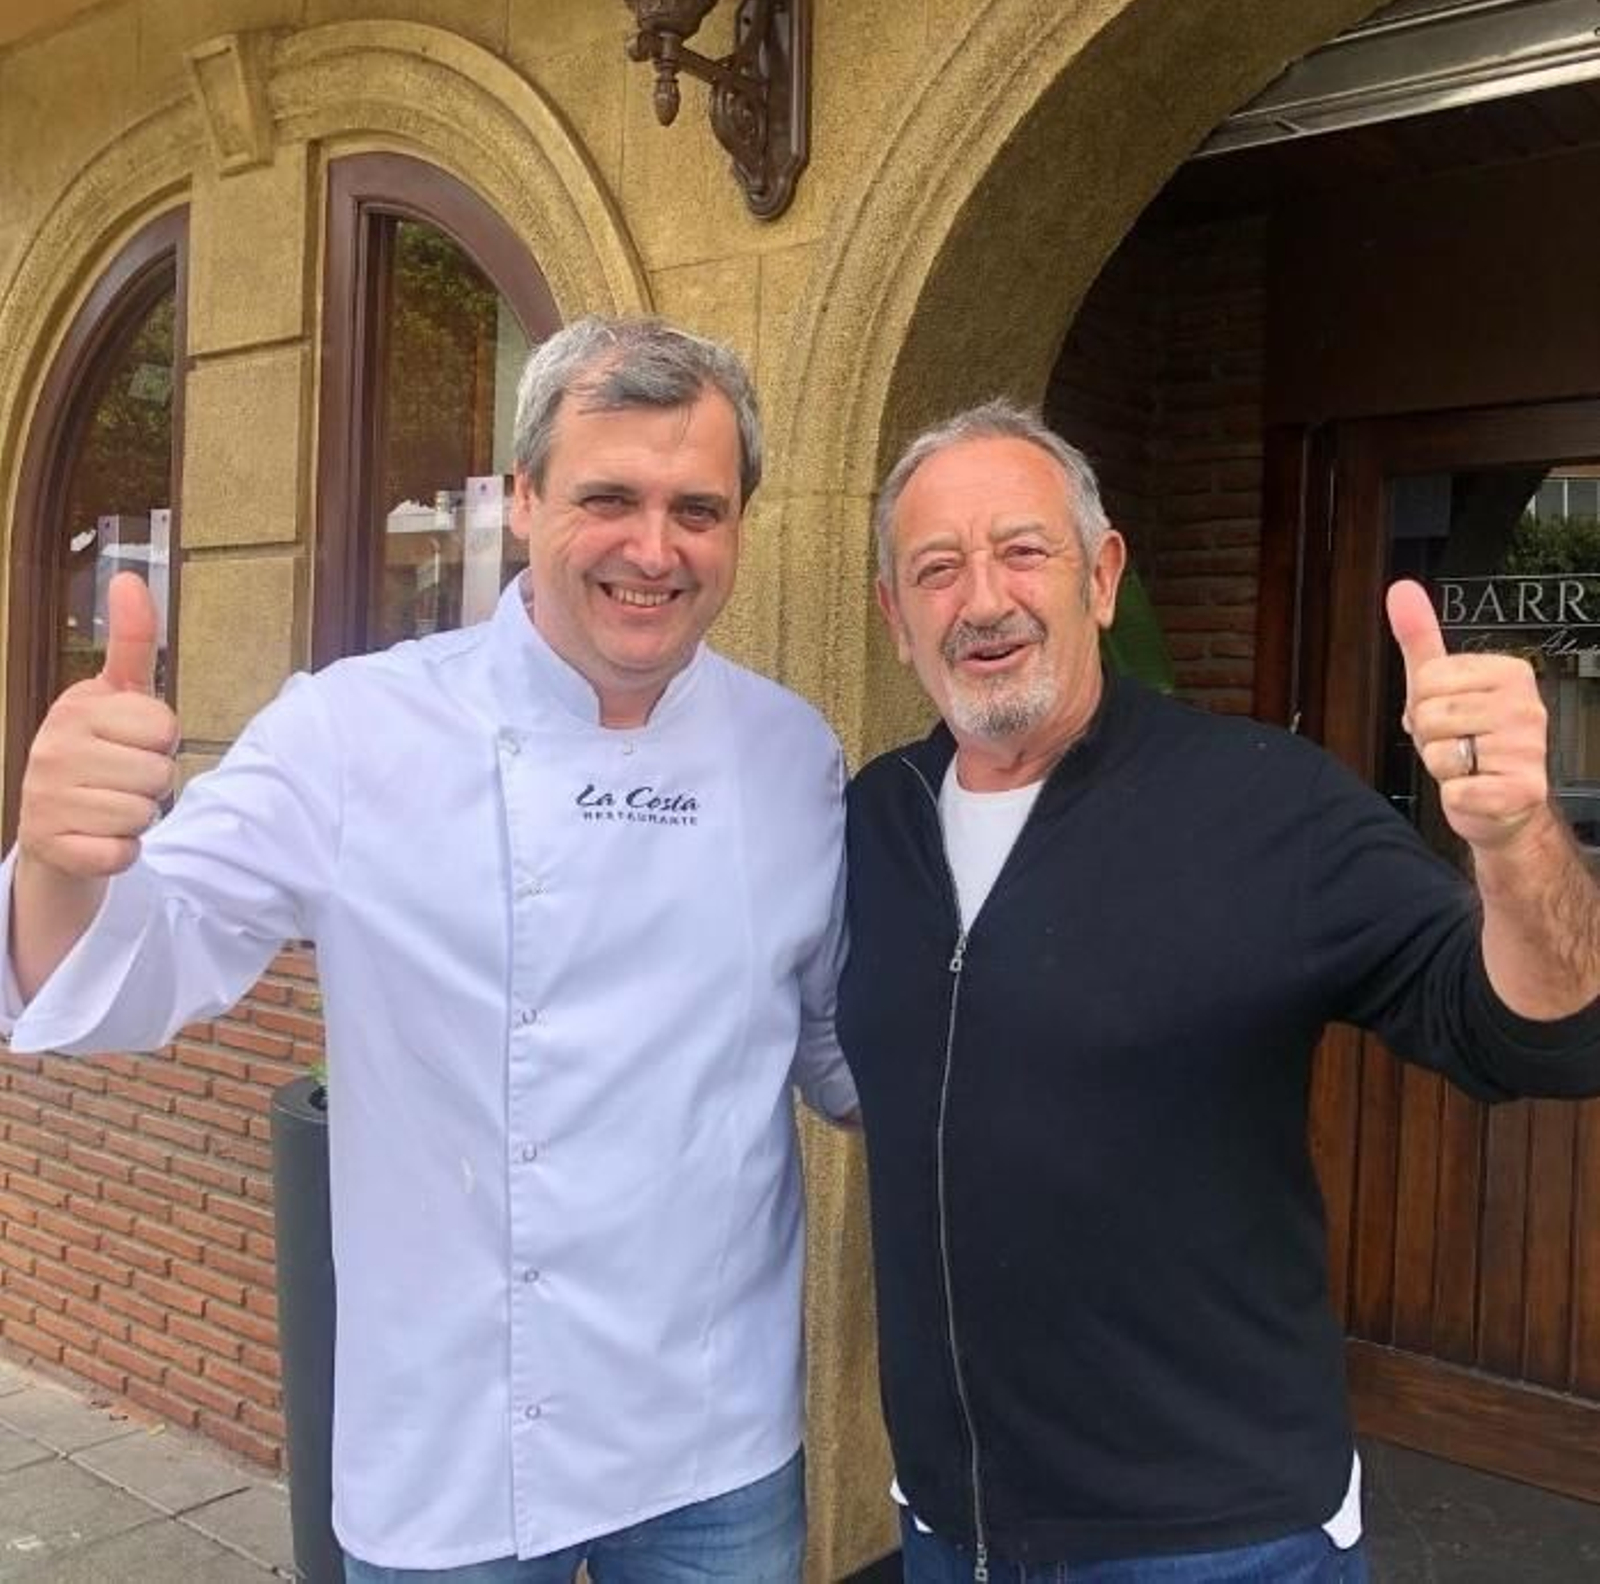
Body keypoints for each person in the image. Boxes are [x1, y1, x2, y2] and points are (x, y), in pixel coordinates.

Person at [1, 316, 857, 1583]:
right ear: (521, 499)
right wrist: (63, 865)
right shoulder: (355, 730)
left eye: (699, 509)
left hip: (714, 1441)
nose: (653, 549)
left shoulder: (794, 756)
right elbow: (141, 962)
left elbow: (839, 1045)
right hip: (455, 1439)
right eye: (607, 497)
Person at [837, 400, 1600, 1584]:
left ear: (1101, 577)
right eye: (936, 570)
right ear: (896, 619)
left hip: (1220, 1540)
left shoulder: (1265, 804)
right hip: (951, 1528)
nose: (981, 599)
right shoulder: (873, 818)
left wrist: (1514, 841)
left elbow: (1534, 1037)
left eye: (1022, 551)